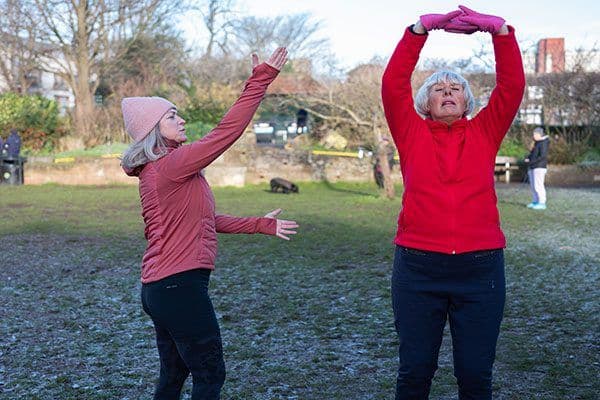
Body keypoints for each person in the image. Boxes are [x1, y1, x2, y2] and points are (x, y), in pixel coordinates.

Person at [121, 47, 299, 400]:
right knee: (210, 374)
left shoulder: (164, 169)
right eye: (172, 117)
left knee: (174, 375)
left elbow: (204, 219)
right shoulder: (170, 166)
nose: (182, 120)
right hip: (178, 287)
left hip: (161, 289)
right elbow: (225, 133)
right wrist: (260, 79)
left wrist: (258, 224)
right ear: (154, 131)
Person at [381, 5, 525, 400]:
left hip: (480, 270)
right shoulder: (410, 132)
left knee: (476, 375)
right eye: (438, 89)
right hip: (417, 268)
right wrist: (418, 30)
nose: (447, 93)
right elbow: (393, 84)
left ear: (468, 102)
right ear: (425, 104)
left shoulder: (485, 131)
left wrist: (500, 33)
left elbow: (511, 88)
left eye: (456, 88)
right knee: (414, 372)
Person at [525, 126, 550, 210]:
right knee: (533, 185)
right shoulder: (537, 143)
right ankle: (535, 201)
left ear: (540, 134)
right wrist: (528, 158)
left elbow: (542, 156)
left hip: (539, 167)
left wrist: (531, 162)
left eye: (535, 134)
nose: (534, 136)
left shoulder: (544, 143)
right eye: (533, 134)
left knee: (538, 185)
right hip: (533, 167)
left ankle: (542, 202)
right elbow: (533, 154)